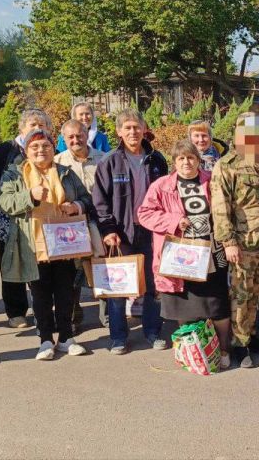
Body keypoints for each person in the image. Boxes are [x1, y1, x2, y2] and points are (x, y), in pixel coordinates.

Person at [0, 129, 93, 360]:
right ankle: (45, 340)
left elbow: (86, 198)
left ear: (53, 149)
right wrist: (30, 195)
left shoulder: (65, 172)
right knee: (40, 294)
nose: (41, 150)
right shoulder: (15, 174)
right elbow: (5, 202)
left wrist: (76, 207)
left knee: (66, 292)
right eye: (35, 147)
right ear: (26, 151)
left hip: (65, 241)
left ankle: (66, 337)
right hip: (34, 241)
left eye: (46, 146)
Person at [137, 139, 231, 370]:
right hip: (180, 256)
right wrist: (174, 221)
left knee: (217, 305)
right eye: (181, 158)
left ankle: (223, 349)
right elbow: (144, 214)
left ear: (199, 160)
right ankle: (190, 350)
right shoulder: (162, 185)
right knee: (185, 306)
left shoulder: (212, 181)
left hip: (211, 254)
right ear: (174, 162)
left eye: (190, 158)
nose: (186, 162)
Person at [92, 108, 169, 354]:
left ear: (144, 129)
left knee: (152, 284)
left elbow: (167, 195)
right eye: (127, 128)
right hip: (121, 234)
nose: (133, 132)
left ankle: (153, 331)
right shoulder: (109, 162)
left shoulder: (157, 160)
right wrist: (108, 230)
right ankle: (118, 337)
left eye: (137, 127)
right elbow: (100, 202)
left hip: (151, 232)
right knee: (118, 286)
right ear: (118, 132)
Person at [211, 112, 259, 368]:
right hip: (241, 242)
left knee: (256, 291)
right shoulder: (226, 165)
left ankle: (250, 334)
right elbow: (220, 206)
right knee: (241, 294)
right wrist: (228, 241)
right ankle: (239, 344)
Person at [0, 109, 53, 329]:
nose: (37, 129)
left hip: (43, 220)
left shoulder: (51, 149)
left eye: (42, 125)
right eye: (32, 124)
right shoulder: (4, 150)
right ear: (21, 128)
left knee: (43, 265)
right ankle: (16, 312)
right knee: (12, 264)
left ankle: (44, 308)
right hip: (9, 220)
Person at [54, 119, 107, 333]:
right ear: (64, 139)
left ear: (87, 134)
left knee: (102, 269)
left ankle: (108, 315)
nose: (76, 140)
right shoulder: (57, 162)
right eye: (70, 137)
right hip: (70, 226)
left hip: (99, 222)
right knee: (71, 275)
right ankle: (73, 316)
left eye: (79, 135)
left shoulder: (103, 160)